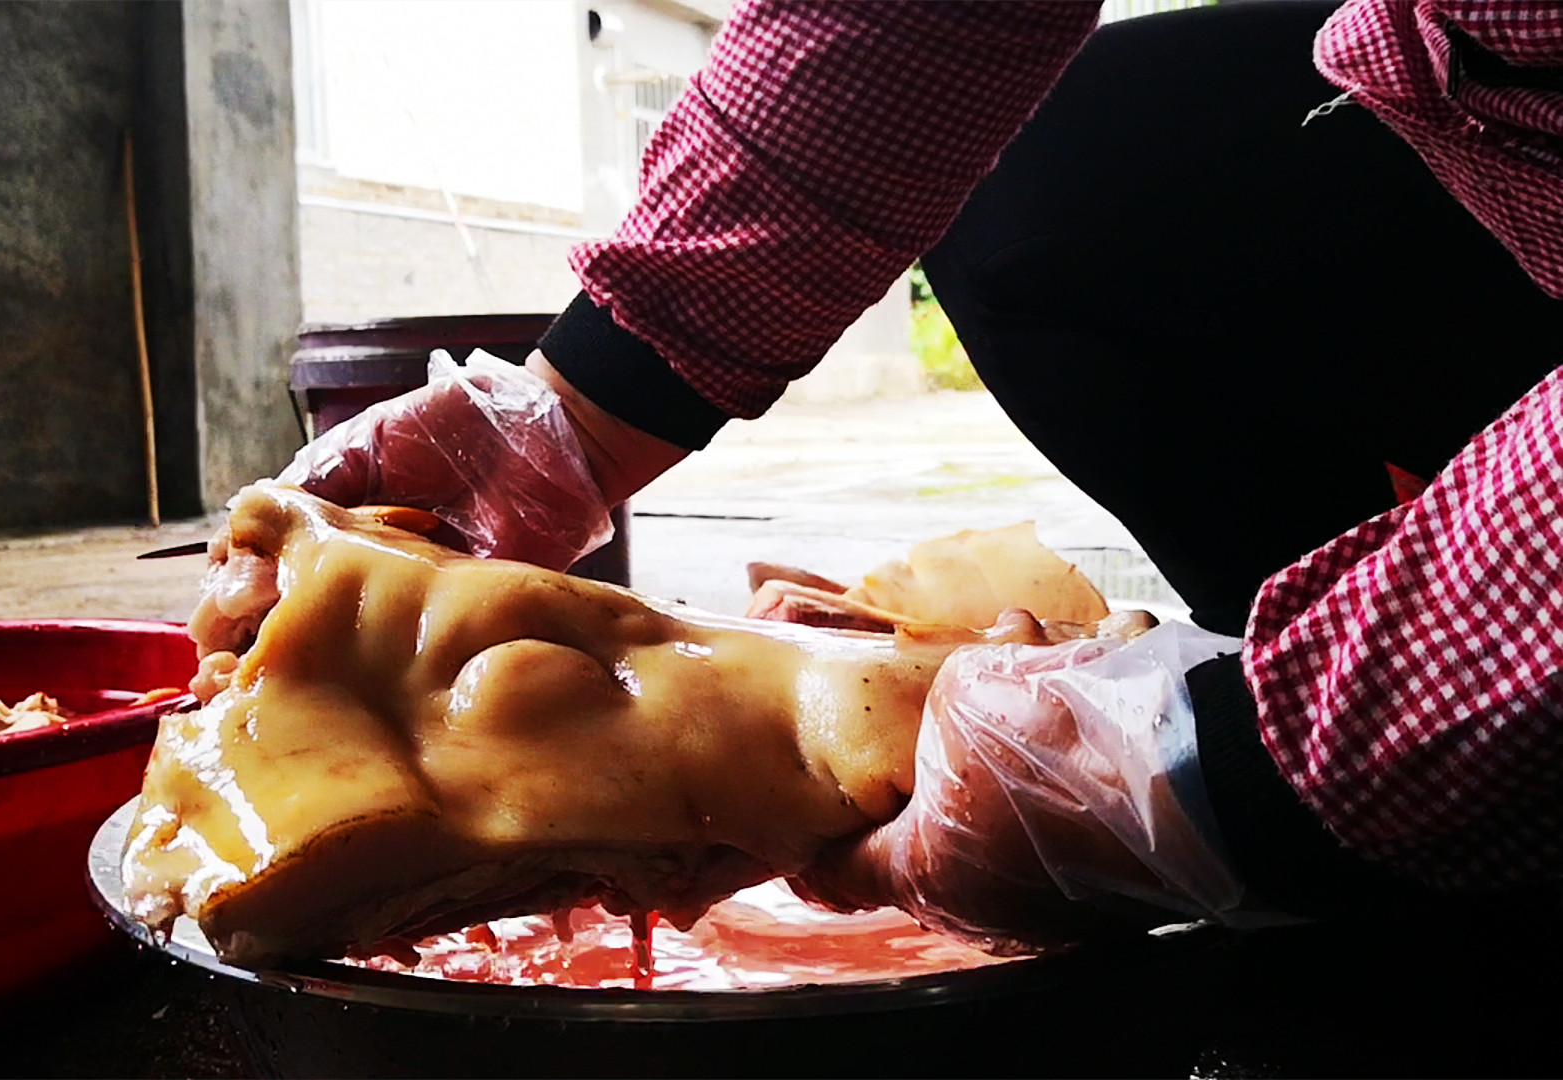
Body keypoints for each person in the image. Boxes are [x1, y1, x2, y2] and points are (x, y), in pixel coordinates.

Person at [280, 0, 1563, 943]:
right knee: (1059, 177)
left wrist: (1242, 766)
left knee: (1303, 782)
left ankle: (1423, 793)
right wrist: (582, 405)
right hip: (1487, 119)